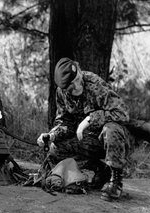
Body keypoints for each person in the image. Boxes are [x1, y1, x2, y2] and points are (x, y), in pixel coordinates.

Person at [37, 57, 135, 201]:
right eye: (71, 86)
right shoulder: (62, 93)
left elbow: (122, 113)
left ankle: (116, 182)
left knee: (111, 129)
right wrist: (52, 135)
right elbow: (65, 122)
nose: (77, 86)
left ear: (79, 71)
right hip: (89, 140)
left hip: (114, 140)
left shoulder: (95, 84)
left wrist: (90, 120)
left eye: (78, 79)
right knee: (56, 148)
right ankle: (102, 171)